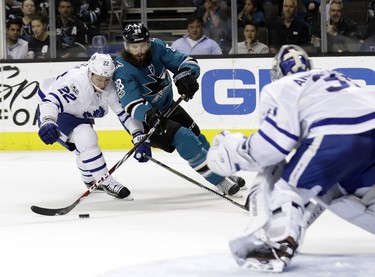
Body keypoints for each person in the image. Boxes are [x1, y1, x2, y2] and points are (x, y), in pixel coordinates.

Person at [206, 45, 375, 272]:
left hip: (335, 136)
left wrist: (234, 152)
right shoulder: (338, 77)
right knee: (356, 196)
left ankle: (278, 245)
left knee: (288, 188)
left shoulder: (282, 87)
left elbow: (272, 147)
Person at [112, 23, 246, 197]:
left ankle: (222, 171)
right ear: (126, 46)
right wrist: (149, 115)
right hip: (146, 120)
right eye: (134, 46)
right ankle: (219, 181)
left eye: (143, 45)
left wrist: (187, 74)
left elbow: (186, 62)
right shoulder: (122, 68)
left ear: (149, 42)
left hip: (168, 105)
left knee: (198, 136)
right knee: (186, 139)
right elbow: (130, 102)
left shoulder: (158, 47)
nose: (139, 50)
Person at [37, 53, 140, 200]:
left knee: (84, 148)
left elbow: (124, 113)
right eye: (99, 79)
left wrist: (137, 133)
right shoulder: (76, 84)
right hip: (56, 112)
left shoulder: (108, 84)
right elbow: (50, 102)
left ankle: (90, 180)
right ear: (90, 73)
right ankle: (106, 182)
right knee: (86, 137)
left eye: (107, 79)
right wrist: (48, 120)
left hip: (78, 111)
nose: (103, 84)